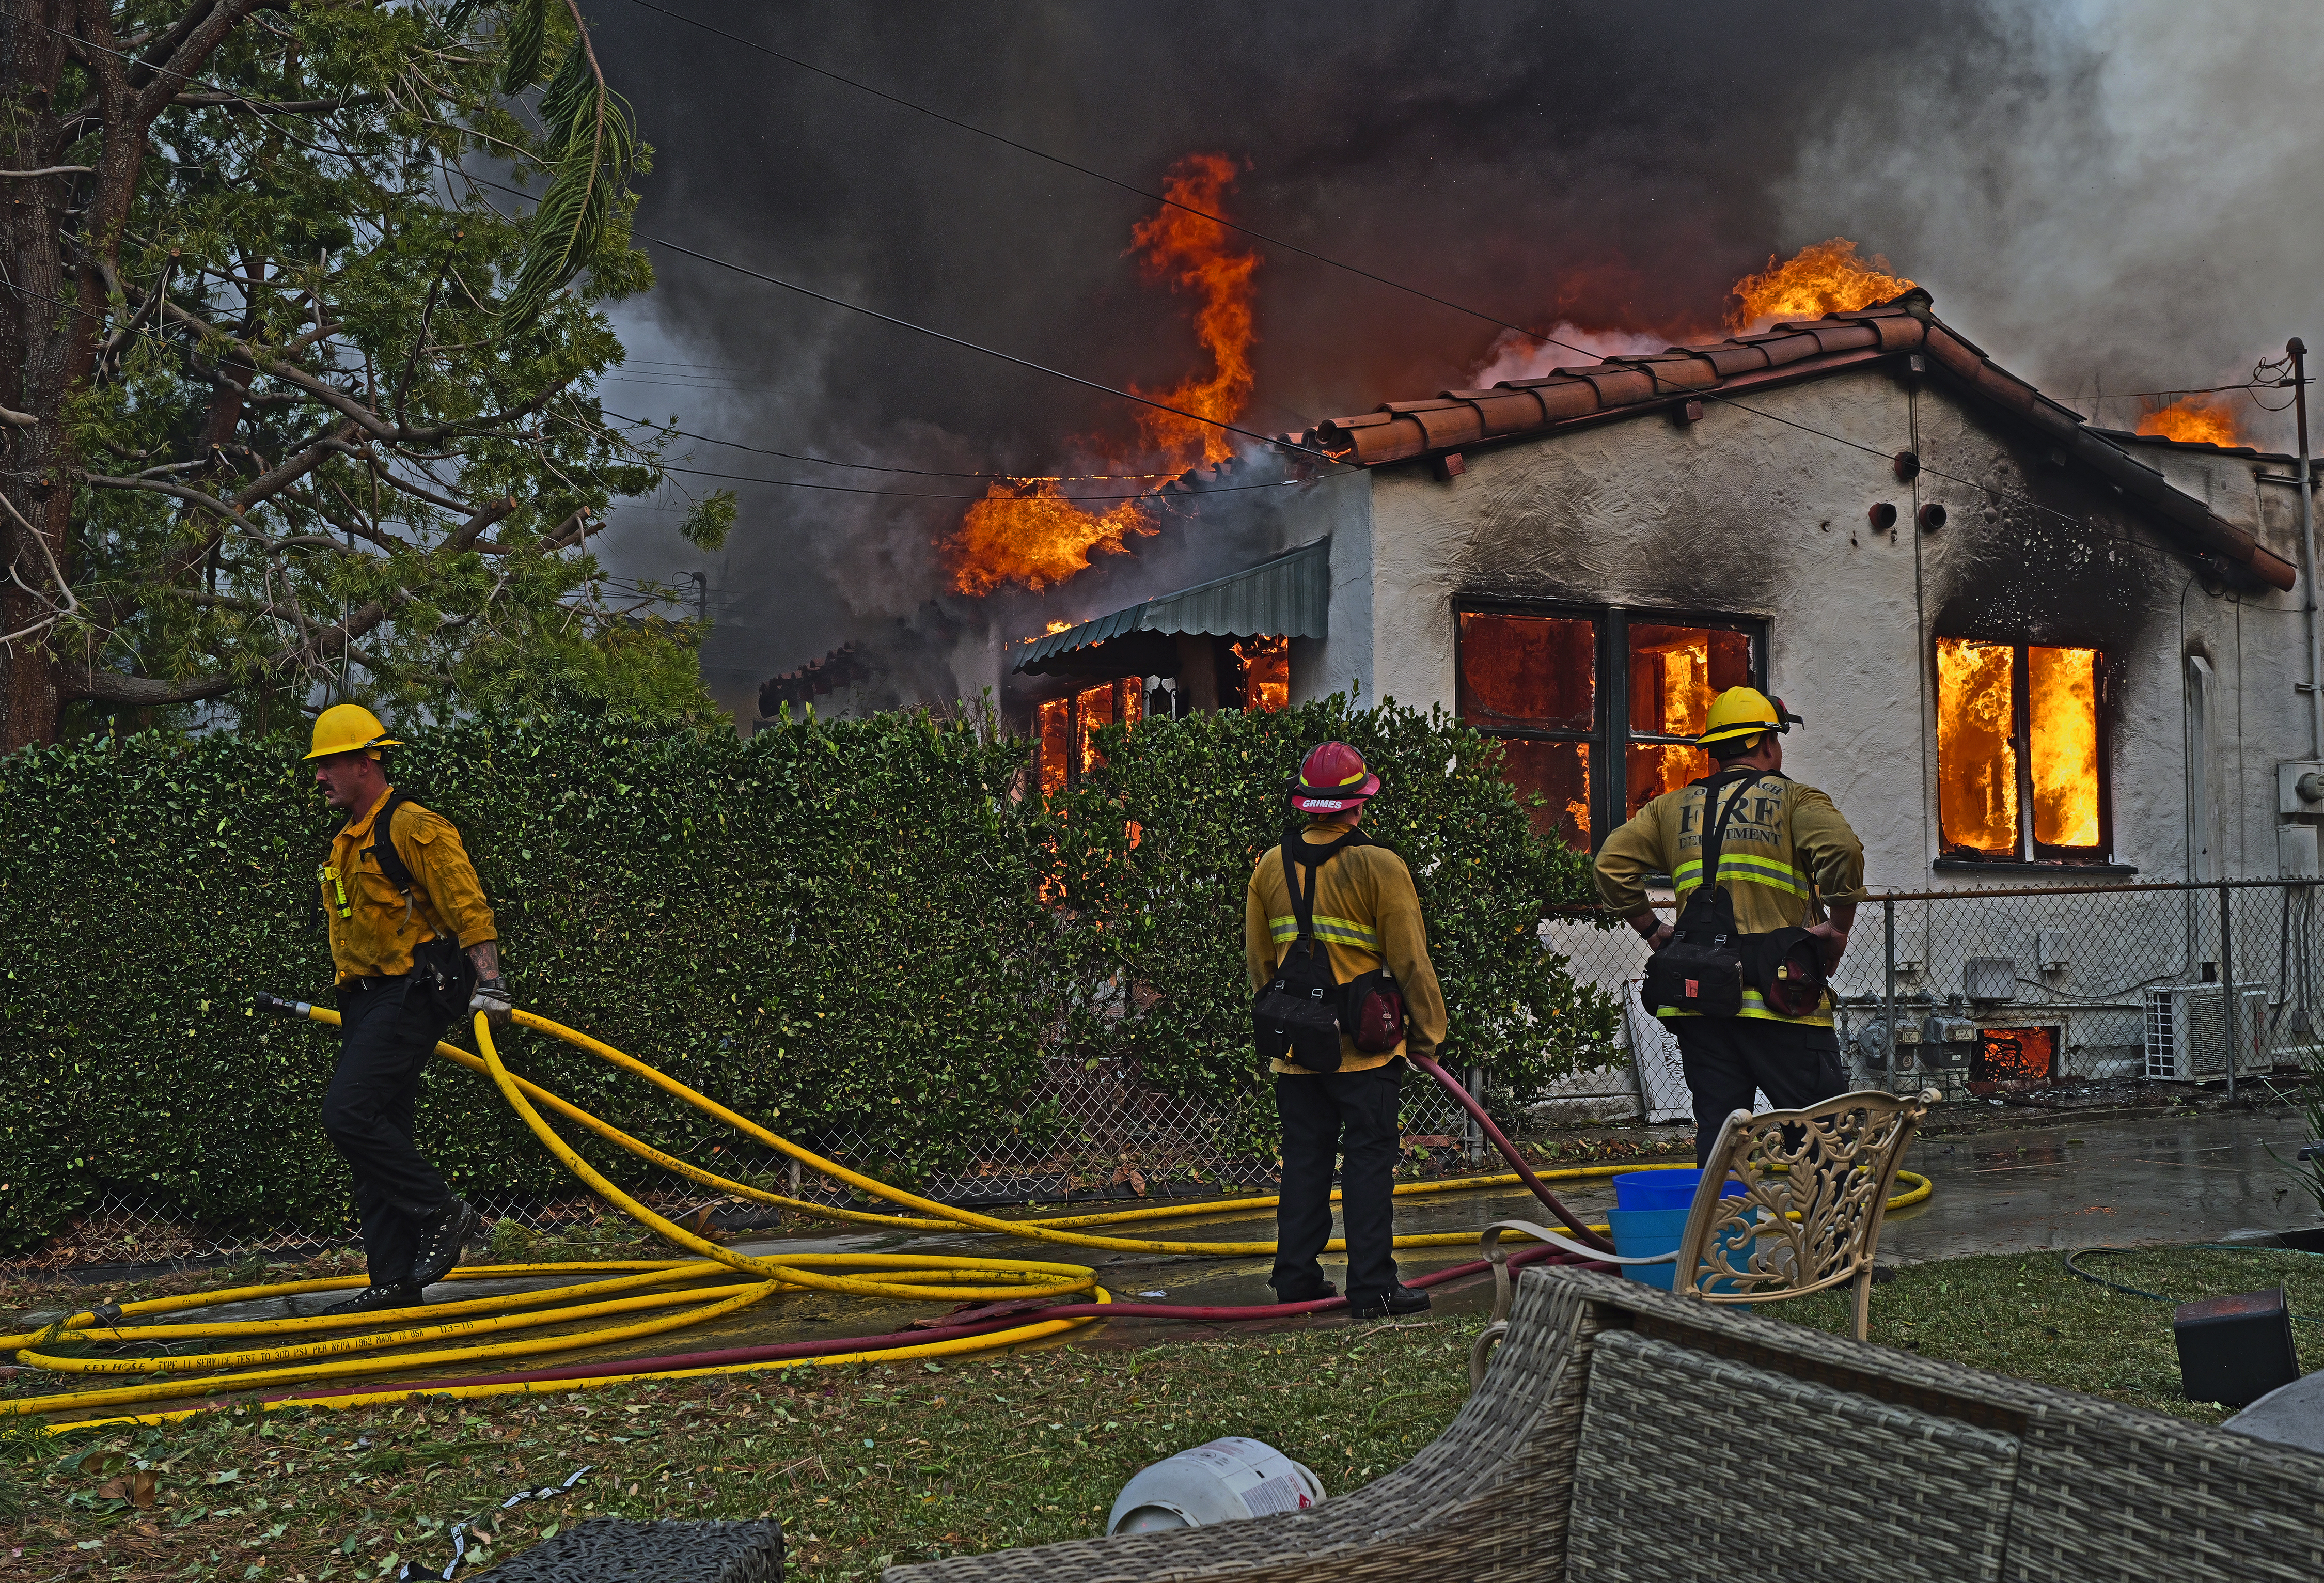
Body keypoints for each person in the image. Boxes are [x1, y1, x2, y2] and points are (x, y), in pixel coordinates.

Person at [1593, 687, 1867, 1162]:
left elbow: (1609, 866)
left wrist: (1653, 932)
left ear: (1716, 750)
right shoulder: (1795, 799)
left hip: (1704, 1008)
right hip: (1785, 1006)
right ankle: (1833, 1237)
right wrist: (1839, 928)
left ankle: (1717, 1235)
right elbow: (1843, 850)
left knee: (1720, 1150)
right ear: (1766, 744)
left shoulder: (1670, 809)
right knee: (1825, 1148)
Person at [304, 704, 512, 1314]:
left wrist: (491, 984)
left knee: (346, 1113)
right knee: (378, 1136)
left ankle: (447, 1214)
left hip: (410, 994)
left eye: (328, 764)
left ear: (365, 762)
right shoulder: (348, 838)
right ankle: (393, 1280)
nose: (319, 777)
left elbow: (468, 905)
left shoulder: (414, 825)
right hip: (364, 1000)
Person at [1246, 741, 1449, 1320]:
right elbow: (1410, 960)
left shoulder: (1268, 865)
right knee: (1367, 1163)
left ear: (1307, 805)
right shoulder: (1380, 865)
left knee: (1305, 1162)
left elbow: (1261, 965)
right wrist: (1427, 1035)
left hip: (1296, 1052)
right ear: (1359, 803)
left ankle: (1297, 1283)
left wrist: (1291, 1021)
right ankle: (1373, 1288)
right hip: (1366, 1052)